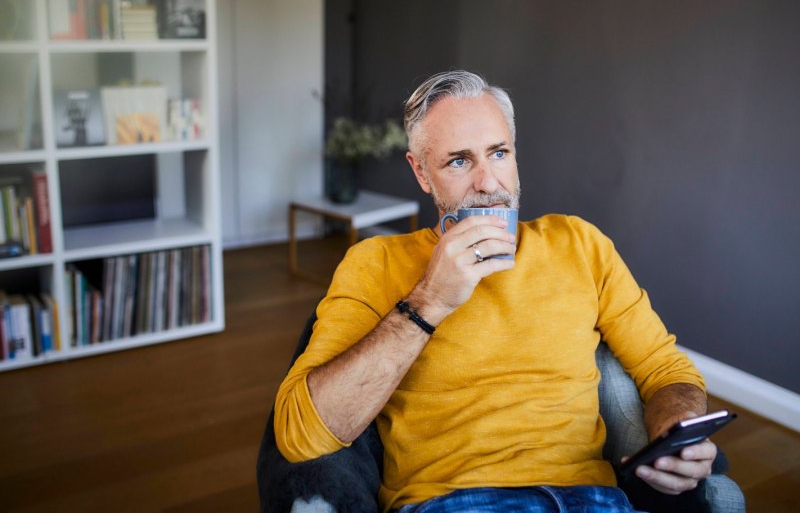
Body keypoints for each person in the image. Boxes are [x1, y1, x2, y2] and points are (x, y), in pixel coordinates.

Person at [274, 70, 717, 512]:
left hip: (593, 501)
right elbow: (301, 433)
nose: (488, 183)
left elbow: (666, 370)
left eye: (499, 153)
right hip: (454, 503)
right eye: (459, 161)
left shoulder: (580, 244)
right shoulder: (376, 262)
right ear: (422, 173)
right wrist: (429, 301)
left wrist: (679, 429)